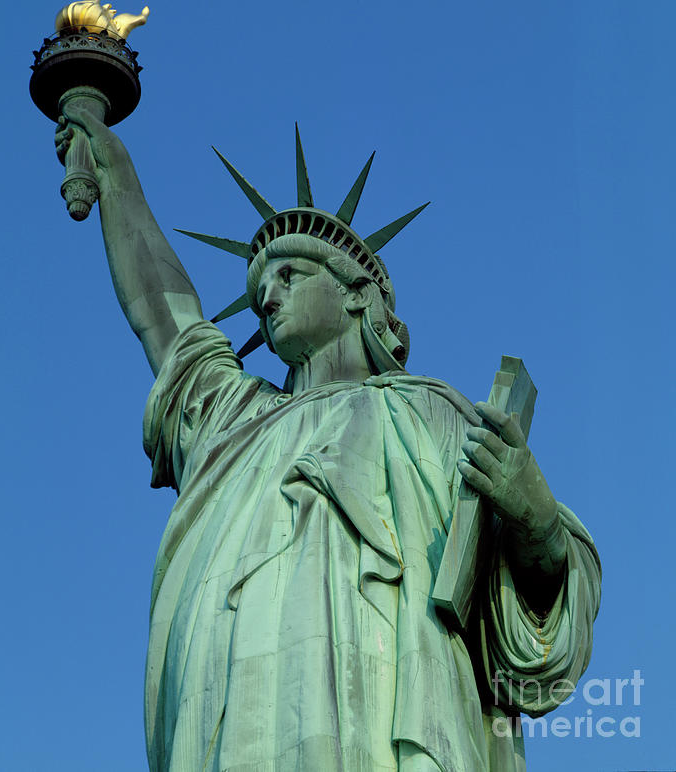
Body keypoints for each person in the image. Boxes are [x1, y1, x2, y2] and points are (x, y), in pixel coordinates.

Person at [56, 110, 601, 772]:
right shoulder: (233, 418)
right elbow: (161, 314)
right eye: (260, 290)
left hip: (387, 704)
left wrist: (536, 522)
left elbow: (532, 632)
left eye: (288, 276)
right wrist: (115, 174)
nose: (267, 297)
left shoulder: (432, 412)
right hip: (233, 719)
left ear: (355, 293)